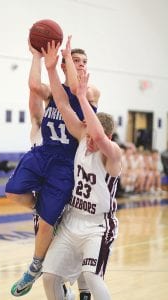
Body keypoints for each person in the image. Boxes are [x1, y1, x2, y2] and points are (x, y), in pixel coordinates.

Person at [6, 35, 100, 298]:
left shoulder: (89, 93)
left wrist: (67, 57)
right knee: (14, 193)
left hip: (67, 166)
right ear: (63, 66)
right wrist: (36, 55)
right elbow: (36, 86)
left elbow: (72, 86)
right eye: (75, 61)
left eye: (84, 62)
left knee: (73, 244)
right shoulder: (52, 94)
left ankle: (79, 289)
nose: (80, 65)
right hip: (44, 155)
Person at [41, 41, 122, 300]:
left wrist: (82, 95)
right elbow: (63, 104)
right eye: (88, 133)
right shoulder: (83, 134)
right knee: (50, 276)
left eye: (96, 136)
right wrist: (53, 69)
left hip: (99, 225)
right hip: (73, 219)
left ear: (106, 137)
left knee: (92, 277)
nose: (90, 139)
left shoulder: (113, 153)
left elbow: (97, 131)